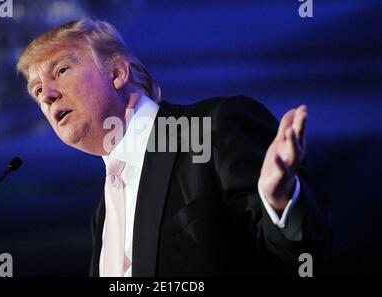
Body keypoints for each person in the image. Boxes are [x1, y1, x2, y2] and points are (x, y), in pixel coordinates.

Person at [16, 18, 328, 277]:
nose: (48, 95)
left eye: (61, 71)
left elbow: (300, 258)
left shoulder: (210, 129)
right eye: (37, 90)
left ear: (117, 73)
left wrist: (280, 202)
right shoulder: (103, 213)